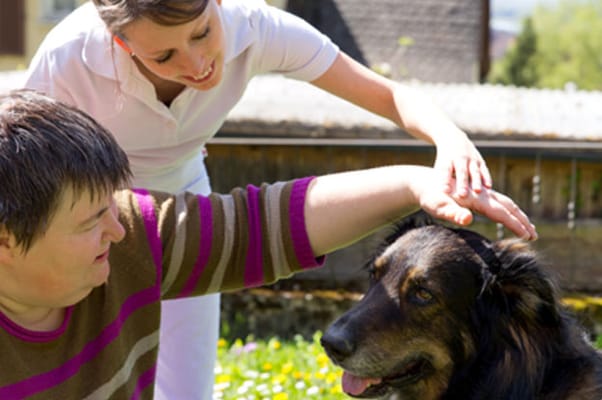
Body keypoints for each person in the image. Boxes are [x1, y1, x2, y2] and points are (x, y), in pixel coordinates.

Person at [24, 1, 496, 398]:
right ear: (121, 44)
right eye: (164, 55)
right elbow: (23, 170)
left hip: (188, 211)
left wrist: (449, 138)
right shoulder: (70, 56)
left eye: (202, 33)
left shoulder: (257, 28)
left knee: (188, 388)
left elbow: (387, 95)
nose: (195, 64)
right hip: (92, 221)